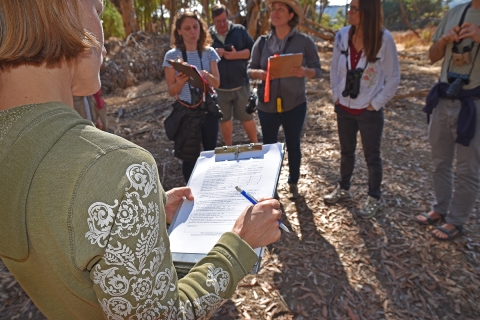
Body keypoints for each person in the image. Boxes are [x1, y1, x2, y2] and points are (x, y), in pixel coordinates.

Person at [0, 1, 283, 319]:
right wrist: (239, 245)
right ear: (62, 14)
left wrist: (141, 214)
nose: (103, 28)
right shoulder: (117, 169)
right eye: (98, 9)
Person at [324, 0, 400, 218]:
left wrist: (374, 104)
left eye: (355, 8)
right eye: (350, 6)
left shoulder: (384, 39)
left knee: (372, 156)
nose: (350, 11)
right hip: (344, 107)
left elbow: (394, 78)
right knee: (346, 152)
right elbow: (334, 69)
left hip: (369, 111)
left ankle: (374, 197)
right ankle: (344, 188)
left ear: (367, 12)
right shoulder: (343, 35)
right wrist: (337, 96)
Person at [415, 0, 480, 240]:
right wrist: (444, 40)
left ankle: (456, 220)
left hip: (474, 102)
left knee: (467, 168)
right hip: (445, 96)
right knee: (440, 160)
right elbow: (432, 56)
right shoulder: (454, 13)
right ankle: (440, 208)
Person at [248, 0, 321, 198]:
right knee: (269, 147)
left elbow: (318, 70)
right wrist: (259, 73)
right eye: (273, 9)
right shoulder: (262, 42)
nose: (275, 12)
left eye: (281, 9)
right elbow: (249, 70)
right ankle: (271, 188)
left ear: (291, 15)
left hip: (294, 104)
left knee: (293, 144)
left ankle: (293, 183)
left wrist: (304, 71)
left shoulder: (304, 42)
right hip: (266, 105)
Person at [163, 10, 221, 183]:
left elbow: (217, 83)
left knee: (210, 152)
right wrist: (180, 82)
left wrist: (205, 76)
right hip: (187, 112)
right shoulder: (172, 56)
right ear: (179, 31)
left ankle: (210, 186)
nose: (192, 31)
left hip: (208, 111)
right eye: (187, 28)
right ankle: (192, 191)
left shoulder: (209, 52)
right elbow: (172, 91)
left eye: (195, 27)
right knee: (189, 156)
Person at [209, 4, 258, 146]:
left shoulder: (240, 31)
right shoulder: (207, 36)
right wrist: (214, 55)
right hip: (220, 88)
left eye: (224, 20)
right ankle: (229, 148)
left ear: (228, 18)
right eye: (218, 21)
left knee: (247, 117)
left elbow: (252, 50)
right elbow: (202, 58)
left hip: (241, 85)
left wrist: (236, 55)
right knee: (224, 119)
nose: (222, 24)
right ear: (213, 21)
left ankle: (255, 145)